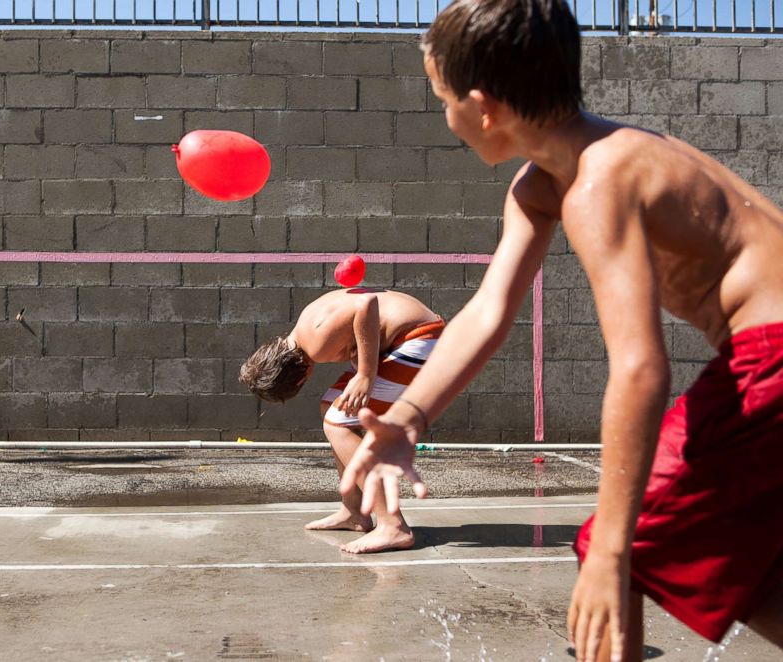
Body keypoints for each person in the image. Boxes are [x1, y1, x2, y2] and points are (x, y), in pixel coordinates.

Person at [338, 0, 783, 660]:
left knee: (621, 544)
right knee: (718, 551)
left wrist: (610, 553)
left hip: (770, 357)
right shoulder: (547, 183)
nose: (446, 118)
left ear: (483, 107)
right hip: (761, 360)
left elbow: (639, 368)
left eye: (443, 100)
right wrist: (405, 418)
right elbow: (488, 312)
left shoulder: (600, 181)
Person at [239, 287, 445, 554]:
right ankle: (355, 512)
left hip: (420, 339)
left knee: (337, 423)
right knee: (330, 408)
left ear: (301, 377)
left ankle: (393, 526)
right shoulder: (304, 325)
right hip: (412, 335)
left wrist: (366, 374)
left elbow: (365, 303)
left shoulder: (315, 343)